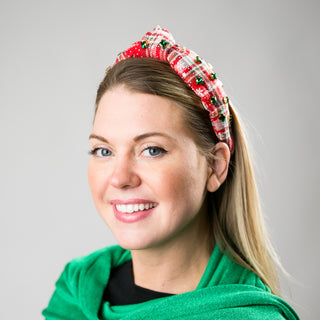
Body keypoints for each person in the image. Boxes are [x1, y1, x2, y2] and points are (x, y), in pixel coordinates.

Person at [42, 26, 299, 319]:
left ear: (215, 167)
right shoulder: (77, 291)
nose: (119, 178)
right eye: (104, 151)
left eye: (152, 150)